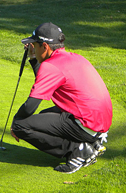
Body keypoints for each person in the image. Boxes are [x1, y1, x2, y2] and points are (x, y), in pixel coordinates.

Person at [10, 22, 113, 174]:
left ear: (45, 46)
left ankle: (78, 150)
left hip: (87, 124)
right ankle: (90, 142)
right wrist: (33, 59)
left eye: (34, 45)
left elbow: (30, 106)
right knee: (44, 116)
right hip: (99, 124)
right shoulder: (73, 57)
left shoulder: (51, 66)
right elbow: (45, 82)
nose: (33, 48)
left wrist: (15, 122)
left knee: (21, 125)